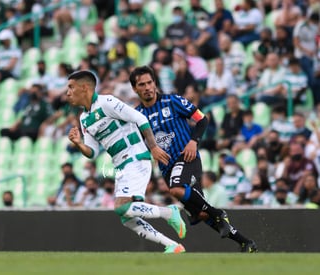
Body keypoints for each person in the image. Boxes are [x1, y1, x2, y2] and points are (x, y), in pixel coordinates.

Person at [131, 65, 257, 252]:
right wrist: (151, 151)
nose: (147, 87)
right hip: (166, 168)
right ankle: (245, 242)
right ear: (135, 89)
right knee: (202, 214)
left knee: (176, 190)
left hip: (187, 157)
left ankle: (219, 213)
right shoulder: (137, 116)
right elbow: (139, 146)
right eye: (142, 84)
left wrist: (193, 141)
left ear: (155, 83)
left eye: (150, 82)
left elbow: (202, 119)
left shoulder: (172, 101)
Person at [67, 70, 186, 254]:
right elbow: (92, 152)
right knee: (126, 216)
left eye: (71, 87)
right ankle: (172, 245)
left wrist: (153, 147)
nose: (68, 92)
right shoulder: (84, 118)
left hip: (135, 158)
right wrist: (79, 144)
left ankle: (169, 212)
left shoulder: (107, 102)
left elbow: (140, 118)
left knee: (121, 207)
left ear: (84, 88)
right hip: (121, 166)